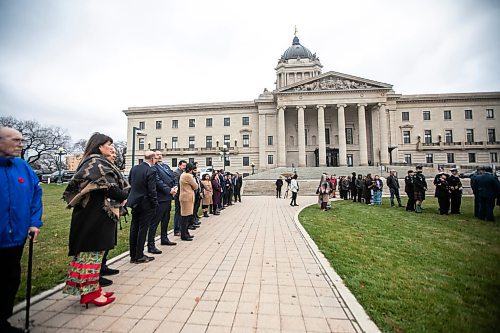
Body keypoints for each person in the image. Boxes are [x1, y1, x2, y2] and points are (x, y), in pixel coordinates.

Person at [62, 132, 129, 308]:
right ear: (100, 146)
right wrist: (125, 195)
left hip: (96, 215)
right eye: (109, 144)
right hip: (93, 217)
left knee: (93, 255)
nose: (112, 148)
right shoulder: (95, 163)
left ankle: (94, 289)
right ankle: (90, 294)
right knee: (90, 255)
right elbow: (110, 188)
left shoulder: (97, 162)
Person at [0, 127, 42, 333]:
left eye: (22, 140)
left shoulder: (23, 166)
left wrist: (34, 222)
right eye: (15, 140)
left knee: (10, 279)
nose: (20, 144)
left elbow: (36, 193)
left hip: (16, 237)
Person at [127, 151, 158, 263]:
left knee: (134, 228)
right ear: (152, 159)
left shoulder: (134, 168)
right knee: (142, 229)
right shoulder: (151, 170)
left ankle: (133, 255)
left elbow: (130, 182)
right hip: (145, 203)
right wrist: (154, 203)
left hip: (135, 201)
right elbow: (152, 190)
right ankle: (139, 255)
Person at [148, 150, 177, 250]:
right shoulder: (153, 167)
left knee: (166, 219)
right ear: (153, 156)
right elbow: (157, 181)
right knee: (155, 222)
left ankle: (164, 238)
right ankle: (151, 245)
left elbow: (173, 177)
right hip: (160, 198)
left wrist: (175, 187)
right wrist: (169, 190)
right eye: (157, 155)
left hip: (168, 197)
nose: (159, 156)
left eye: (160, 154)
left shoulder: (166, 166)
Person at [179, 163, 199, 240]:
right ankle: (184, 235)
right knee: (185, 217)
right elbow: (196, 186)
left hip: (185, 197)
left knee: (186, 216)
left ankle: (186, 233)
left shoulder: (183, 175)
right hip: (187, 197)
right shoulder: (188, 176)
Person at [172, 160, 187, 236]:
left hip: (183, 194)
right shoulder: (176, 173)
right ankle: (176, 229)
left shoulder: (183, 173)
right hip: (178, 195)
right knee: (178, 212)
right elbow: (176, 183)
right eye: (183, 166)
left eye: (185, 166)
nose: (184, 167)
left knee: (182, 212)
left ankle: (181, 228)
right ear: (179, 165)